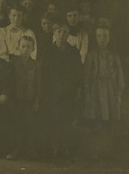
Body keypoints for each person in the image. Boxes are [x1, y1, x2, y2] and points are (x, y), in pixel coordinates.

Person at [39, 23, 82, 159]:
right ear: (54, 33)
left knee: (66, 120)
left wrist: (77, 91)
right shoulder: (47, 51)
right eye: (59, 32)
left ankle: (64, 147)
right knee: (52, 120)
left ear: (68, 34)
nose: (62, 35)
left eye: (65, 32)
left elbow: (78, 74)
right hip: (51, 93)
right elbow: (42, 74)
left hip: (68, 93)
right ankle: (53, 148)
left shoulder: (74, 52)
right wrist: (43, 93)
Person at [83, 25, 125, 159]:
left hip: (110, 91)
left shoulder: (114, 55)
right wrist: (88, 93)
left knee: (110, 121)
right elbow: (86, 76)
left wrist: (118, 93)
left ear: (109, 37)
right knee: (96, 121)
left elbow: (120, 75)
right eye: (99, 36)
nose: (102, 39)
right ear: (95, 38)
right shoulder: (91, 55)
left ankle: (108, 151)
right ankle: (95, 150)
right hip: (95, 90)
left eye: (105, 36)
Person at [9, 36, 41, 160]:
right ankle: (15, 150)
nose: (25, 49)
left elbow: (39, 84)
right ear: (18, 47)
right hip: (16, 99)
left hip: (30, 100)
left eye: (28, 47)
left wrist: (37, 100)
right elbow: (8, 81)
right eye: (23, 46)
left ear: (32, 49)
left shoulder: (36, 65)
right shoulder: (13, 63)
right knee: (16, 125)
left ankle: (30, 150)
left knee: (30, 125)